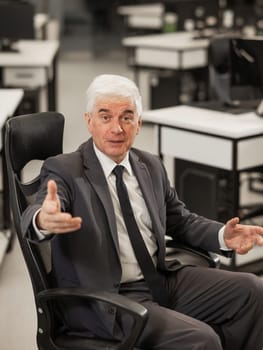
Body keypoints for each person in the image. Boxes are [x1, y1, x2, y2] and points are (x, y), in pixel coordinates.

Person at [21, 74, 263, 350]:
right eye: (105, 117)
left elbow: (179, 220)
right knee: (202, 339)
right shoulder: (64, 169)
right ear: (89, 121)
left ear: (139, 123)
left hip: (161, 280)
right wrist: (44, 219)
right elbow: (35, 216)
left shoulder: (150, 165)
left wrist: (223, 236)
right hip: (108, 298)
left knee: (253, 291)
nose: (117, 128)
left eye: (126, 117)